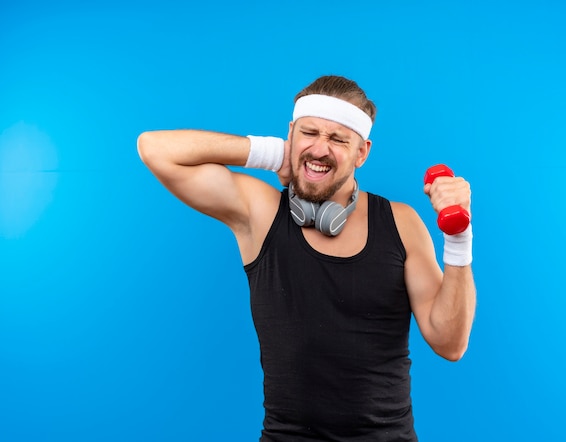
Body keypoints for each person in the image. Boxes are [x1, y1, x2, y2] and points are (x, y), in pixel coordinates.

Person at [137, 75, 476, 441]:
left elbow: (450, 343)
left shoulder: (401, 222)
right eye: (309, 133)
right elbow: (154, 148)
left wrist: (458, 238)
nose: (319, 149)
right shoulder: (260, 213)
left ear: (362, 152)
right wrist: (271, 153)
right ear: (291, 134)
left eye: (337, 139)